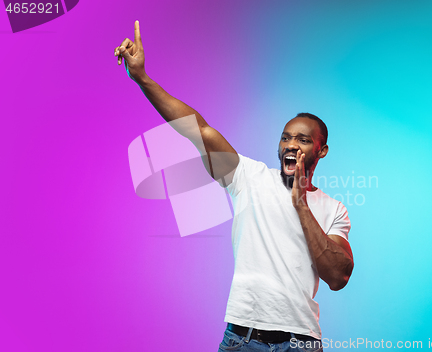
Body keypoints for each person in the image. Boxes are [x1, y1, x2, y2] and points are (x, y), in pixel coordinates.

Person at [115, 21, 354, 352]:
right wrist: (143, 78)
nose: (290, 145)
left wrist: (300, 202)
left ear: (321, 150)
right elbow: (198, 128)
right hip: (242, 340)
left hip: (300, 343)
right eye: (285, 137)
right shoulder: (250, 177)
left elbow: (338, 276)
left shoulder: (334, 209)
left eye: (302, 139)